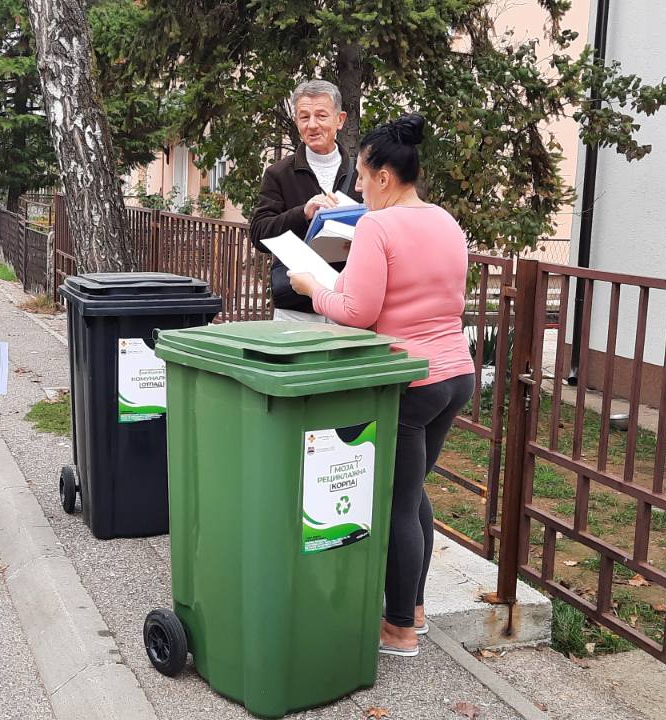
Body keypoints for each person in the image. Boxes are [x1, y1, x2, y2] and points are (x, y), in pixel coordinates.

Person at [288, 115, 475, 657]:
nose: (357, 188)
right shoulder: (444, 220)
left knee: (394, 502)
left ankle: (398, 630)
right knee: (412, 492)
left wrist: (312, 288)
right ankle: (412, 605)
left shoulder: (378, 226)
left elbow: (357, 311)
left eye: (363, 177)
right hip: (454, 373)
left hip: (409, 382)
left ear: (385, 177)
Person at [249, 79, 362, 322]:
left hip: (349, 302)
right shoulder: (279, 174)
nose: (312, 125)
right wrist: (303, 213)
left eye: (321, 116)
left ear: (339, 120)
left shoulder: (362, 174)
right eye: (304, 117)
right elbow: (259, 233)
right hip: (296, 306)